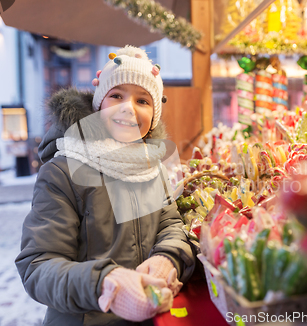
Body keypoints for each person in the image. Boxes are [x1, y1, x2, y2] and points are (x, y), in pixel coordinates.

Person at [15, 45, 195, 326]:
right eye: (117, 95)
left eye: (143, 101)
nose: (128, 108)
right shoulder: (63, 172)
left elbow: (170, 225)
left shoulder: (151, 166)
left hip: (150, 316)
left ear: (154, 117)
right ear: (99, 104)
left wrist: (167, 257)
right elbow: (38, 266)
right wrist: (105, 282)